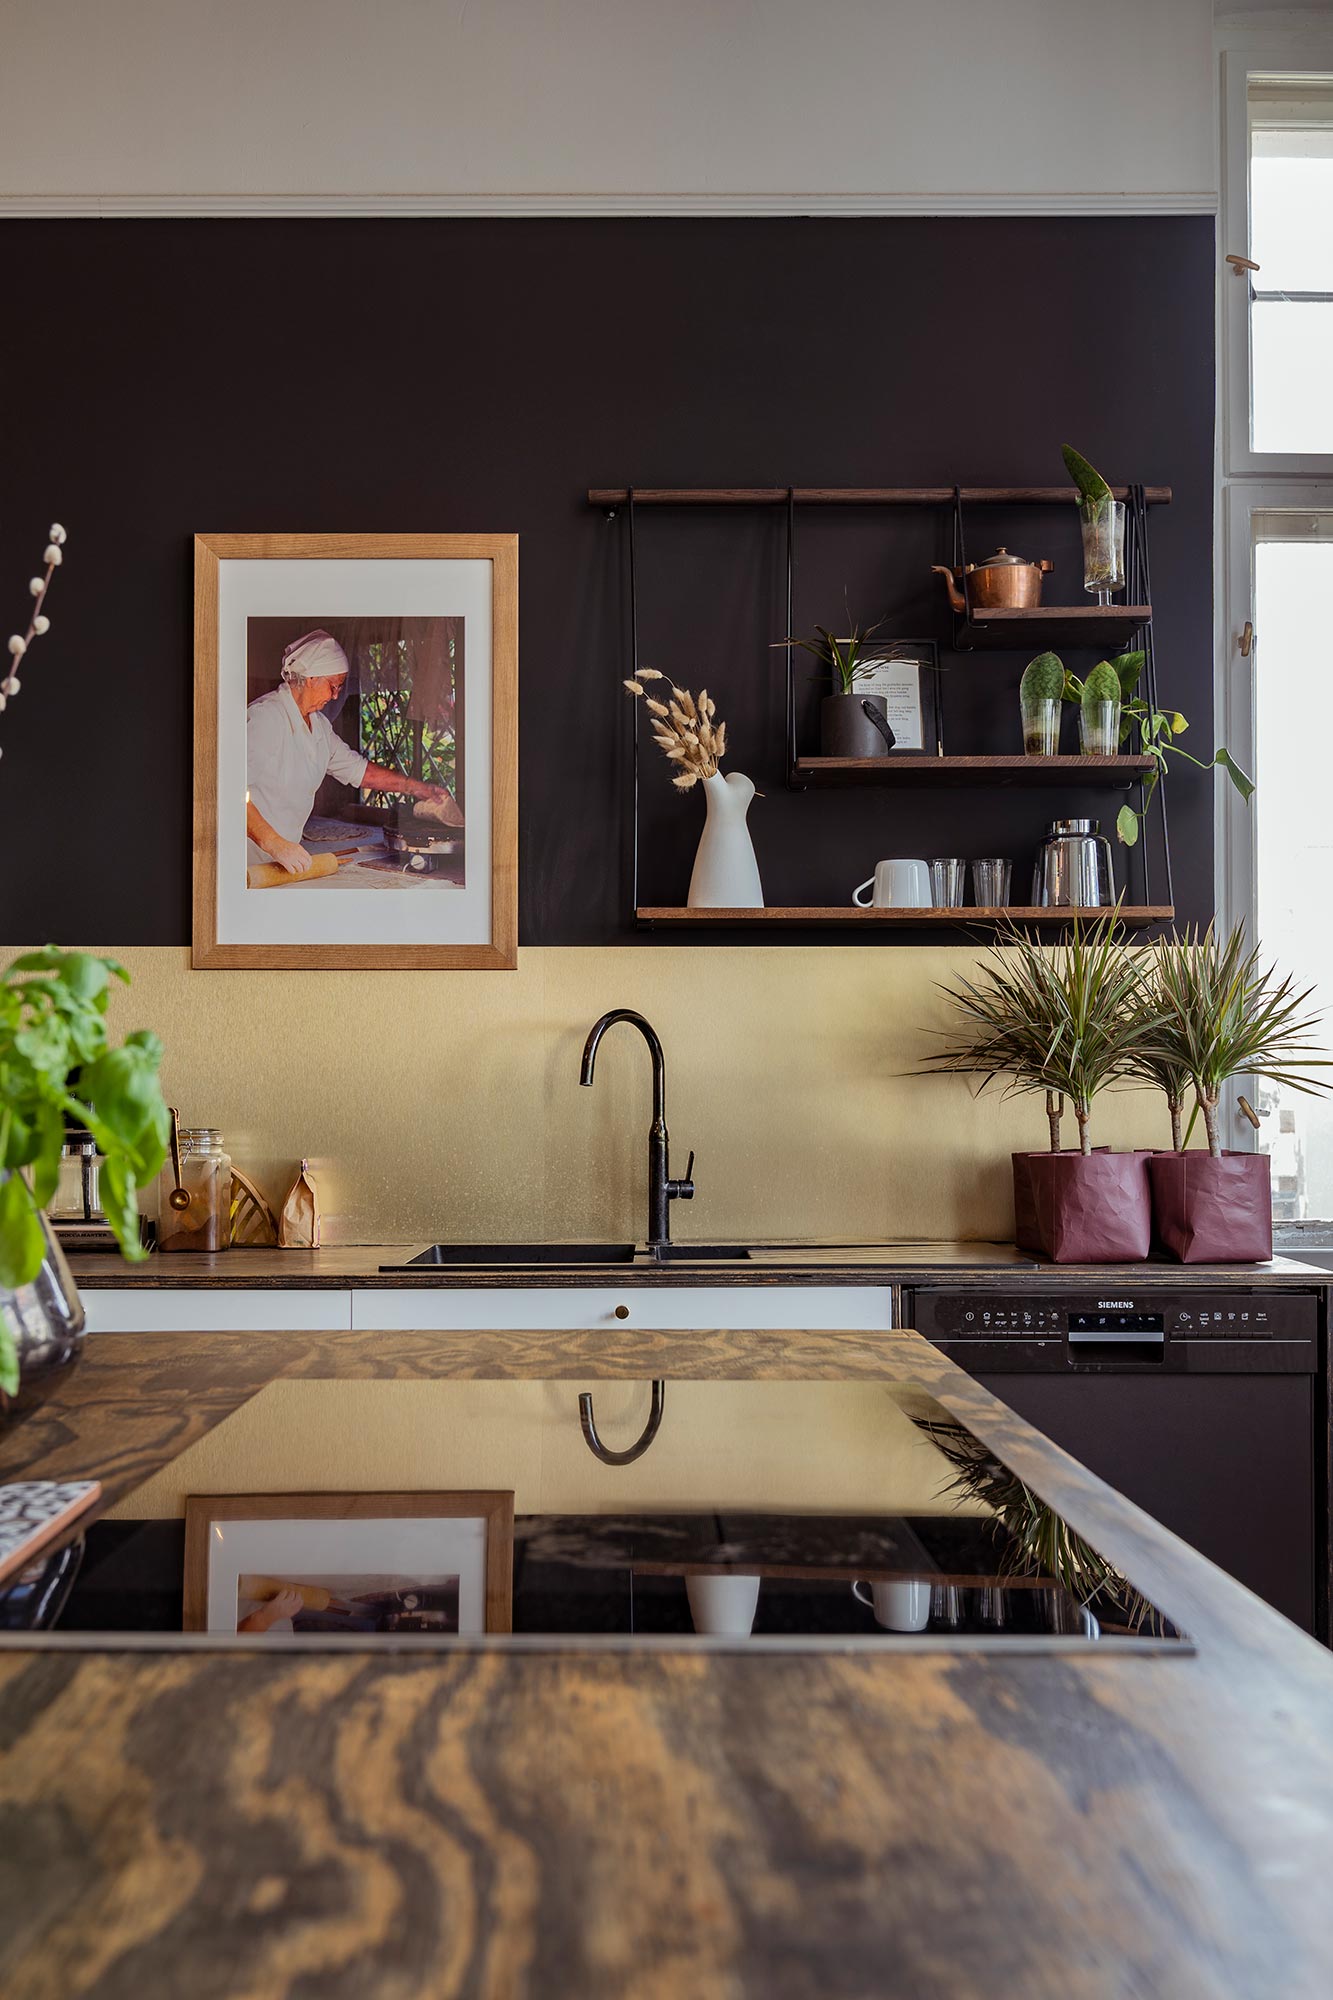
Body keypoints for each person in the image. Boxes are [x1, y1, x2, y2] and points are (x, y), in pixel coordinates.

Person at [246, 628, 462, 876]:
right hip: (250, 857)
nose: (336, 694)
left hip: (285, 857)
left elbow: (359, 771)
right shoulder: (266, 717)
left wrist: (419, 788)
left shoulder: (319, 727)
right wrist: (274, 843)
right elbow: (231, 790)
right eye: (333, 685)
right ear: (310, 678)